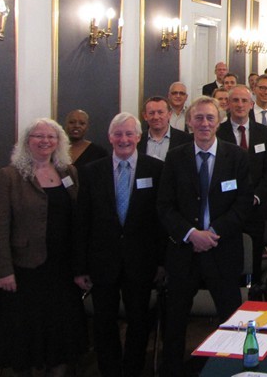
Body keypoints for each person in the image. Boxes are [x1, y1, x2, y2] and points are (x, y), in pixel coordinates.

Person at [157, 96, 253, 375]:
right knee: (175, 322)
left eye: (210, 118)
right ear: (189, 122)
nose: (204, 123)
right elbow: (164, 206)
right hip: (183, 252)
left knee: (231, 320)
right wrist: (191, 234)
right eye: (198, 118)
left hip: (223, 250)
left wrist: (213, 232)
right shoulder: (175, 157)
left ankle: (231, 370)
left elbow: (243, 204)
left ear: (219, 122)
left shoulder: (236, 157)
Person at [73, 112, 165, 377]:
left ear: (139, 136)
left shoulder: (155, 169)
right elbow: (82, 221)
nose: (124, 139)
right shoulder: (92, 171)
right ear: (110, 137)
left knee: (139, 321)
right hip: (102, 261)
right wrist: (80, 267)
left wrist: (162, 262)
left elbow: (160, 220)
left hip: (142, 261)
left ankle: (134, 369)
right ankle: (109, 370)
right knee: (104, 323)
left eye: (129, 134)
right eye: (118, 134)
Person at [0, 119, 86, 376]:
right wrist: (4, 270)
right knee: (26, 333)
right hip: (25, 268)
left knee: (60, 332)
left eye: (51, 136)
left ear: (59, 142)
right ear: (27, 141)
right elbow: (0, 227)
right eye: (38, 136)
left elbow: (78, 219)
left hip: (63, 268)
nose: (45, 141)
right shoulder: (9, 176)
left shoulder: (68, 172)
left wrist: (81, 265)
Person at [217, 85, 267, 288]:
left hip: (255, 210)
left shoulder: (263, 132)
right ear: (228, 104)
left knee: (254, 258)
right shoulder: (218, 132)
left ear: (251, 104)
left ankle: (254, 293)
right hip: (226, 209)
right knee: (227, 260)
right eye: (235, 100)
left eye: (244, 101)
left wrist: (256, 196)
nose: (240, 105)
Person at [138, 96, 191, 161]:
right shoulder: (137, 140)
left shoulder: (186, 140)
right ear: (145, 116)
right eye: (151, 113)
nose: (156, 117)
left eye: (160, 112)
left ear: (169, 114)